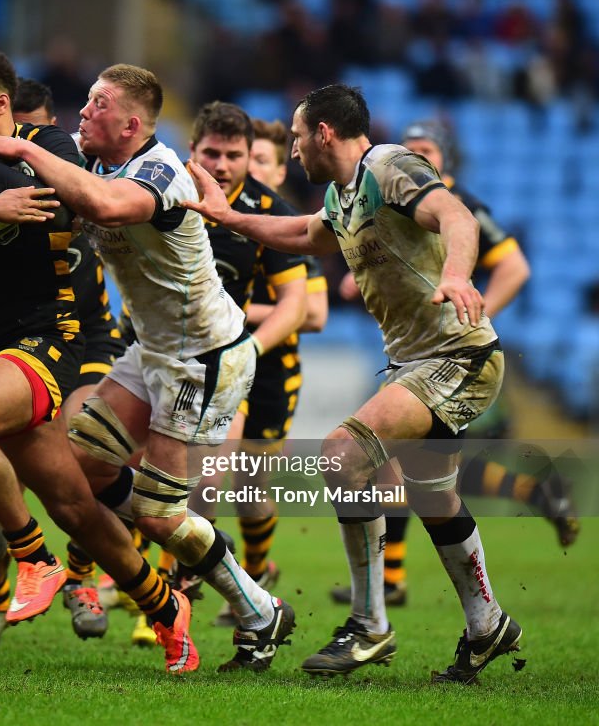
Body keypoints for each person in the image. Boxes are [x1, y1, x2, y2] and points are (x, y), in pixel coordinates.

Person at [0, 63, 296, 675]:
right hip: (153, 352)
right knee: (83, 467)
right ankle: (146, 551)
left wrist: (14, 145)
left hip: (205, 358)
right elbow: (53, 196)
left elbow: (106, 209)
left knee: (159, 514)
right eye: (85, 101)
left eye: (97, 104)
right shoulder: (95, 166)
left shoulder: (161, 169)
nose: (83, 111)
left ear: (131, 124)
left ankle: (259, 608)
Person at [183, 84, 522, 684]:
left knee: (342, 454)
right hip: (417, 363)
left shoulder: (387, 166)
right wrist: (227, 215)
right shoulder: (342, 197)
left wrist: (458, 275)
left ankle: (368, 626)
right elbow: (300, 235)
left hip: (458, 354)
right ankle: (487, 624)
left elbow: (455, 215)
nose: (290, 150)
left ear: (325, 133)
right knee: (434, 500)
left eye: (294, 136)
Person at [0, 47, 194, 673]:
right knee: (73, 505)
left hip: (49, 337)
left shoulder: (49, 143)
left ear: (2, 104)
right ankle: (166, 608)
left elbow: (64, 207)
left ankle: (32, 557)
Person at [331, 119, 569, 609]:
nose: (418, 157)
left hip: (459, 357)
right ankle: (531, 497)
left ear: (445, 160)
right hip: (421, 356)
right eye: (411, 148)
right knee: (428, 477)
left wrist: (473, 309)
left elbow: (515, 266)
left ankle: (386, 588)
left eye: (426, 150)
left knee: (394, 462)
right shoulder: (386, 200)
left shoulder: (461, 204)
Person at [181, 105, 320, 631]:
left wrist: (249, 343)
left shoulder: (273, 213)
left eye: (236, 155)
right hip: (177, 355)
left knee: (245, 482)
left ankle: (249, 574)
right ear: (193, 150)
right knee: (191, 477)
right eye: (211, 153)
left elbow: (308, 309)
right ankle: (170, 587)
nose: (221, 164)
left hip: (255, 362)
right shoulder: (164, 192)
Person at [12, 76, 121, 641]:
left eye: (35, 129)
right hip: (29, 339)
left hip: (91, 340)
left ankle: (81, 576)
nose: (24, 140)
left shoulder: (83, 171)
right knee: (23, 471)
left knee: (86, 449)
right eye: (15, 132)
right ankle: (21, 572)